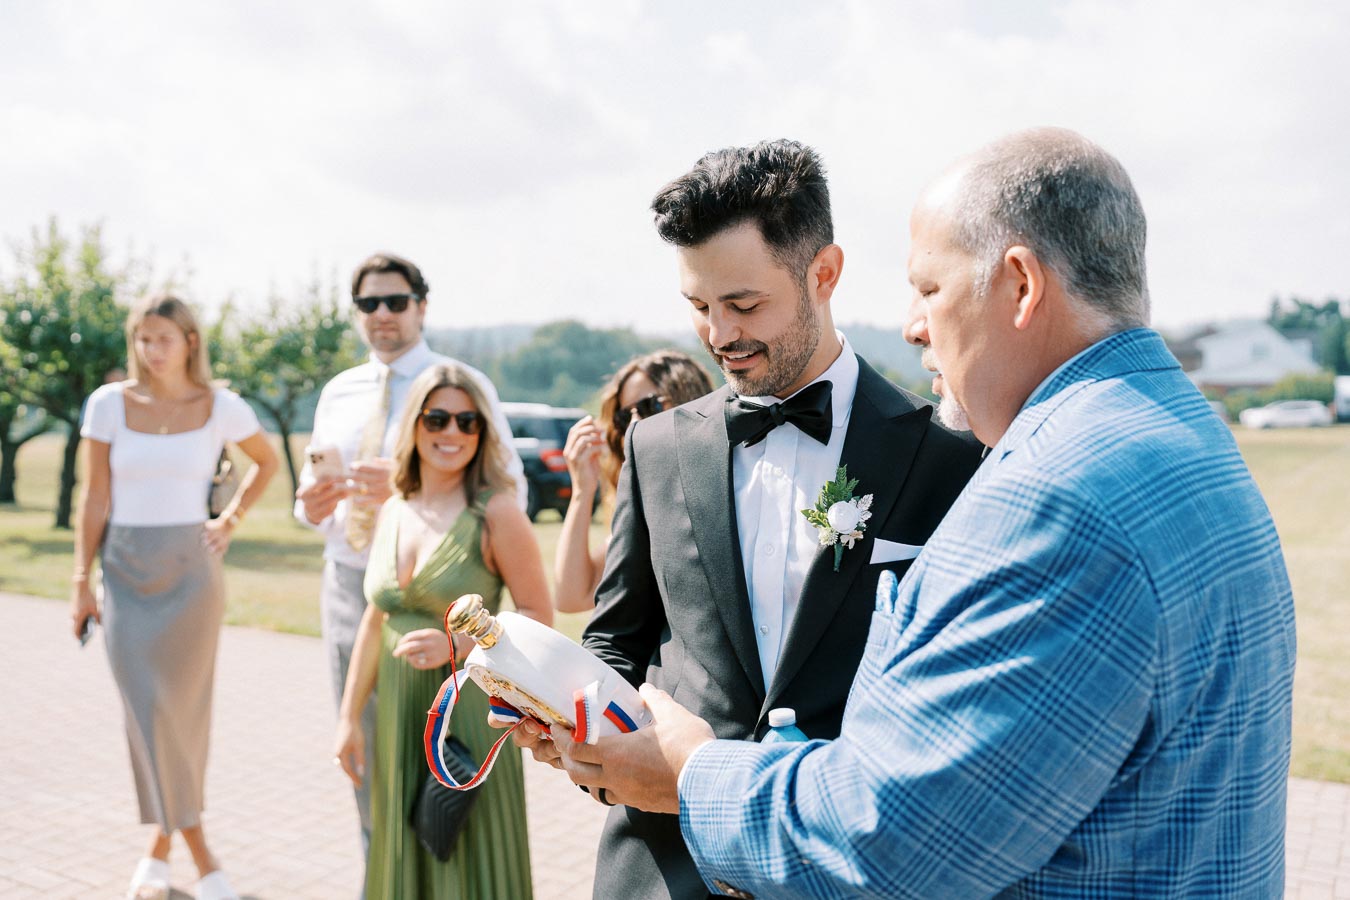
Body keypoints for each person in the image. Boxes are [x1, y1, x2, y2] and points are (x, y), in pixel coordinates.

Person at [545, 128, 1299, 898]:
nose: (911, 323)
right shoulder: (1180, 436)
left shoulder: (1049, 493)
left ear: (1021, 285)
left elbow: (897, 843)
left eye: (929, 289)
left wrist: (691, 773)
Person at [514, 139, 984, 899]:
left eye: (744, 303)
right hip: (662, 870)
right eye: (699, 307)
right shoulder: (656, 446)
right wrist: (574, 728)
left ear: (823, 273)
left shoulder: (946, 459)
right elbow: (617, 639)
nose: (719, 335)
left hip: (843, 873)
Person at [294, 252, 525, 869]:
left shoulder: (460, 386)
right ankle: (385, 869)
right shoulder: (339, 392)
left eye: (395, 302)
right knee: (370, 757)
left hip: (447, 591)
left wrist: (411, 495)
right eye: (368, 304)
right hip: (355, 586)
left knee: (448, 771)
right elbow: (306, 497)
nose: (382, 315)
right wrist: (311, 504)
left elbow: (509, 492)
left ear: (421, 306)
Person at [72, 294, 279, 900]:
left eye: (163, 338)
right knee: (147, 711)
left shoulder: (221, 405)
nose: (150, 350)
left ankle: (160, 850)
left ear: (190, 340)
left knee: (184, 716)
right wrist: (79, 579)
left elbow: (264, 464)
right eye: (142, 338)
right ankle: (202, 856)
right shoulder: (108, 405)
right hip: (125, 574)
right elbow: (93, 498)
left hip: (193, 578)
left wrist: (231, 520)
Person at [332, 363, 551, 899]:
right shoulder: (394, 508)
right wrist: (348, 719)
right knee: (402, 847)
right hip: (396, 714)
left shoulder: (497, 512)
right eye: (437, 418)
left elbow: (538, 615)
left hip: (467, 714)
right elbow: (374, 616)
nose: (451, 433)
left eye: (467, 422)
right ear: (414, 426)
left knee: (468, 853)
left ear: (482, 432)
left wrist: (459, 645)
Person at [554, 349, 715, 612]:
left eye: (648, 407)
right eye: (623, 417)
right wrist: (583, 492)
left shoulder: (730, 490)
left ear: (691, 402)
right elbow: (571, 597)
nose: (634, 425)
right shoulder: (646, 509)